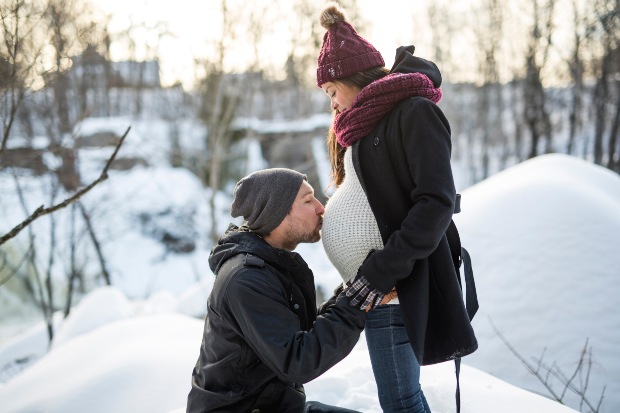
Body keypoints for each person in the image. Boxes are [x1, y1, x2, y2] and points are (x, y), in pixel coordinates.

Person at [316, 3, 478, 413]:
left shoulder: (413, 112)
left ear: (352, 79)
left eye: (332, 92)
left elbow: (436, 203)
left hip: (393, 287)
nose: (332, 105)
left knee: (401, 402)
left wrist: (381, 268)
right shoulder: (363, 128)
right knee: (400, 400)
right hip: (376, 289)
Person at [186, 168, 369, 413]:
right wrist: (357, 302)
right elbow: (298, 360)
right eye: (307, 200)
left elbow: (303, 334)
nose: (320, 207)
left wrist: (352, 293)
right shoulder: (246, 278)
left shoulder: (272, 266)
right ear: (278, 213)